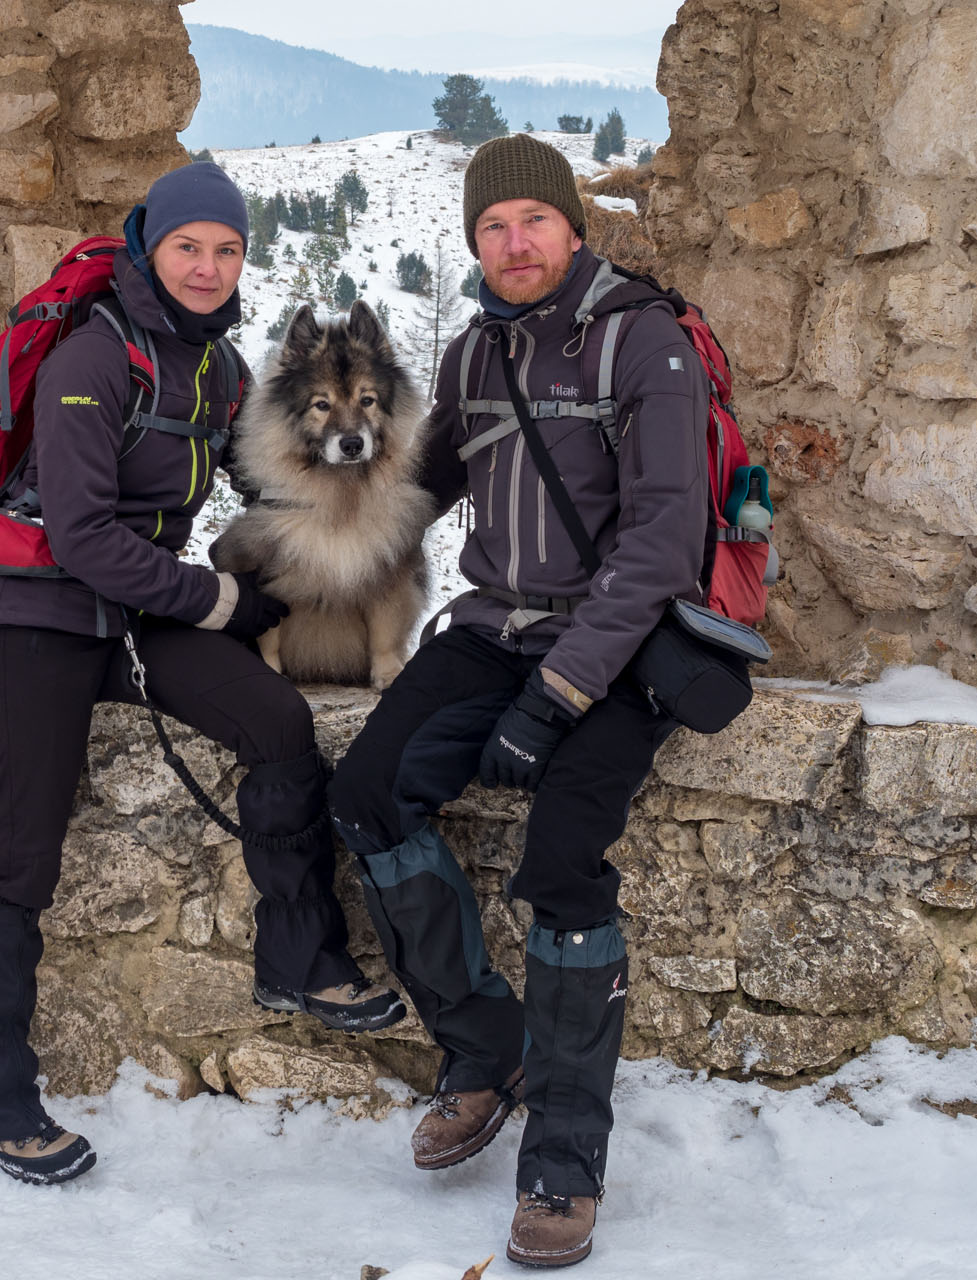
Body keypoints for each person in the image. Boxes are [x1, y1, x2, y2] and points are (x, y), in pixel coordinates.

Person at [0, 162, 406, 1187]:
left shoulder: (219, 367)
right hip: (41, 615)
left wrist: (381, 484)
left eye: (229, 249)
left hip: (142, 611)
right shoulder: (93, 356)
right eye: (189, 246)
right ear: (149, 245)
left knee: (280, 725)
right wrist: (219, 602)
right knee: (24, 849)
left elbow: (267, 470)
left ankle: (298, 953)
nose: (209, 266)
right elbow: (77, 536)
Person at [326, 133, 708, 1267]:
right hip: (498, 627)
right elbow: (411, 492)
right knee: (364, 793)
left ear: (571, 224)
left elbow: (662, 543)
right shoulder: (473, 353)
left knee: (561, 861)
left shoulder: (646, 342)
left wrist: (560, 690)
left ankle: (567, 1153)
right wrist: (281, 528)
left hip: (625, 644)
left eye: (532, 220)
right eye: (492, 229)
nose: (513, 243)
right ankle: (488, 1048)